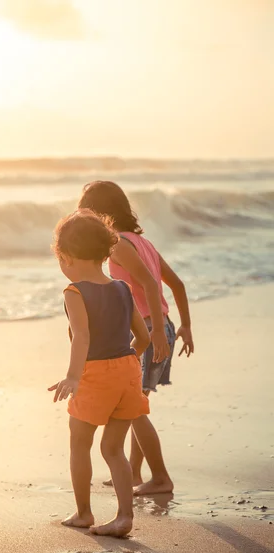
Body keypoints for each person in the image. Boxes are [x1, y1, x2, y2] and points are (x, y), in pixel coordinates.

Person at [79, 181, 194, 495]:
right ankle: (133, 473)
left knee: (130, 408)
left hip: (149, 330)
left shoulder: (117, 244)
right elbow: (178, 285)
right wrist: (183, 326)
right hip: (162, 327)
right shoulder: (142, 242)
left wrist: (156, 330)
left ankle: (160, 478)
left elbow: (150, 285)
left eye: (87, 211)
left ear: (101, 213)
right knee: (136, 402)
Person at [48, 209, 151, 537]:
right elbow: (144, 337)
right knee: (113, 448)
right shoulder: (122, 288)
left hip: (94, 376)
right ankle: (124, 517)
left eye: (61, 260)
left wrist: (74, 376)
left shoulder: (74, 292)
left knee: (80, 444)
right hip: (128, 371)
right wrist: (125, 362)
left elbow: (82, 336)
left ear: (68, 258)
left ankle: (83, 513)